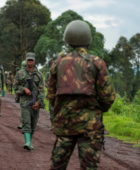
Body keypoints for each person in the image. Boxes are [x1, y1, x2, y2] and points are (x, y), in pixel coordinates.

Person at [48, 20, 115, 170]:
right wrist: (97, 110)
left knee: (57, 166)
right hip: (90, 126)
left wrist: (63, 109)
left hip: (64, 124)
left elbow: (51, 96)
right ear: (88, 40)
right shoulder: (96, 63)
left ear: (68, 40)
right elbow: (108, 96)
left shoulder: (58, 64)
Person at [14, 52, 44, 150]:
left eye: (31, 60)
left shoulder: (39, 75)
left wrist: (38, 103)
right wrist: (24, 89)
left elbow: (42, 91)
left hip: (36, 103)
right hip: (24, 103)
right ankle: (27, 142)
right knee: (26, 122)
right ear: (26, 61)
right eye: (28, 60)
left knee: (33, 124)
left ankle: (29, 143)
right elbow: (15, 87)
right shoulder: (20, 73)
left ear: (34, 61)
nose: (29, 62)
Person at [45, 61, 54, 130]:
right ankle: (53, 126)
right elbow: (45, 83)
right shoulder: (48, 74)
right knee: (51, 111)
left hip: (59, 96)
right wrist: (49, 87)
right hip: (51, 95)